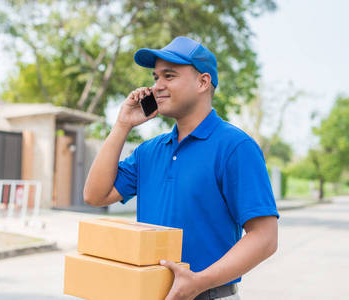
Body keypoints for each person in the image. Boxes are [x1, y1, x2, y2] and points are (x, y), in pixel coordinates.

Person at [83, 36, 279, 300]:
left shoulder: (235, 147)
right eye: (155, 78)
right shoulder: (149, 151)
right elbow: (95, 196)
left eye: (169, 76)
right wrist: (122, 125)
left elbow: (265, 238)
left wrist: (198, 282)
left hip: (209, 295)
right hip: (148, 294)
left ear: (203, 82)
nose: (157, 87)